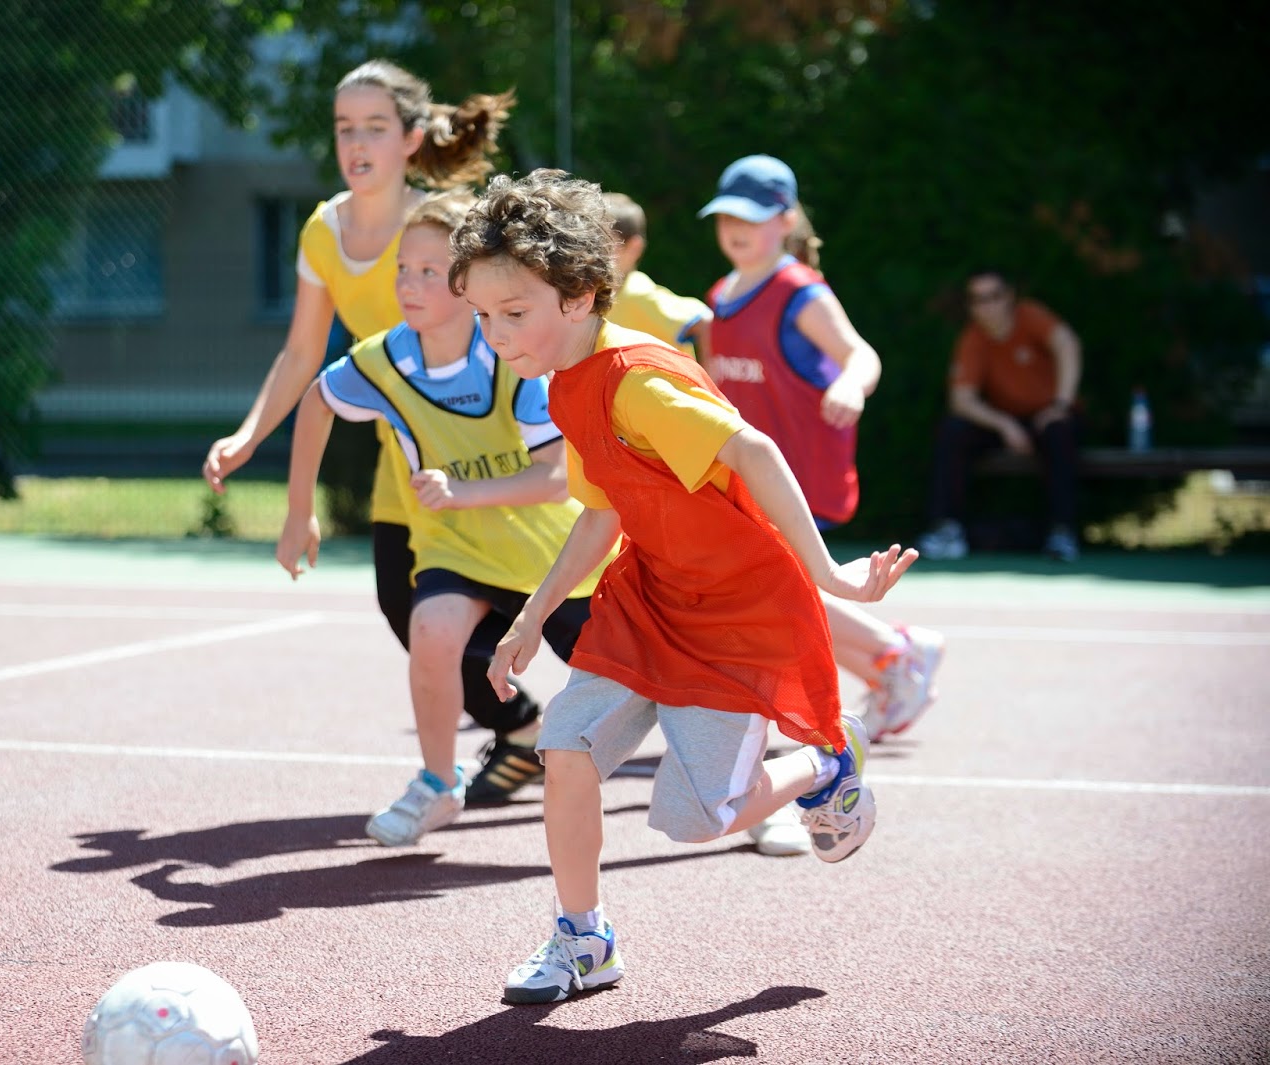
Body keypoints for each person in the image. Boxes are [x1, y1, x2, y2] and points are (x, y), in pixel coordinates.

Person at [449, 170, 917, 1004]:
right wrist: (531, 617)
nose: (494, 334)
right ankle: (583, 938)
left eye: (513, 312)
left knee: (697, 817)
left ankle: (824, 759)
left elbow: (756, 452)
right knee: (566, 747)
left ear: (583, 294)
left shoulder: (635, 379)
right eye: (482, 315)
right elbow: (599, 513)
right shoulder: (563, 381)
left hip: (735, 609)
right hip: (651, 597)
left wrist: (831, 575)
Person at [201, 62, 542, 803]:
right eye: (344, 128)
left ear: (411, 138)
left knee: (539, 608)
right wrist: (252, 434)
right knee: (408, 614)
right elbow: (302, 353)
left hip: (489, 451)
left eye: (375, 128)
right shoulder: (324, 230)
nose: (356, 143)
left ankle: (642, 729)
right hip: (409, 457)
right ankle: (519, 729)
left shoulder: (440, 224)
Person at [276, 191, 609, 846]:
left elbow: (555, 478)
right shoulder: (383, 360)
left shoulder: (515, 361)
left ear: (470, 286)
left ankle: (746, 773)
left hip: (555, 557)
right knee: (430, 626)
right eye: (403, 268)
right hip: (454, 547)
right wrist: (297, 512)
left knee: (654, 682)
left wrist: (460, 491)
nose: (408, 283)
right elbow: (316, 402)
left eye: (430, 271)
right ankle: (436, 781)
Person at [698, 155, 946, 745]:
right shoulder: (721, 294)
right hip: (747, 474)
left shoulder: (800, 294)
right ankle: (895, 659)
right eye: (727, 215)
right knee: (778, 592)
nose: (736, 228)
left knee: (771, 591)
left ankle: (892, 658)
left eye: (752, 217)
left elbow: (862, 355)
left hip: (800, 471)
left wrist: (847, 383)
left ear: (785, 220)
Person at [605, 189, 811, 859]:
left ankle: (774, 786)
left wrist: (710, 379)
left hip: (703, 500)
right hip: (631, 534)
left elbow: (698, 319)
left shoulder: (652, 313)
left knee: (762, 621)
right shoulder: (552, 346)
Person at [918, 269, 1083, 562]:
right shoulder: (974, 338)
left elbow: (1067, 344)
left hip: (1049, 415)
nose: (986, 306)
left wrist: (1061, 405)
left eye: (993, 297)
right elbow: (961, 400)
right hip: (1005, 420)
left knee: (1061, 432)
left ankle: (1063, 532)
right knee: (952, 431)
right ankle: (947, 530)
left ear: (1009, 297)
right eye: (977, 300)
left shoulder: (1030, 317)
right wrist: (1005, 425)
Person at [601, 193, 711, 359]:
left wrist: (712, 381)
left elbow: (705, 322)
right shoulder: (598, 296)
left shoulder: (638, 294)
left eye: (603, 243)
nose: (591, 251)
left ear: (634, 247)